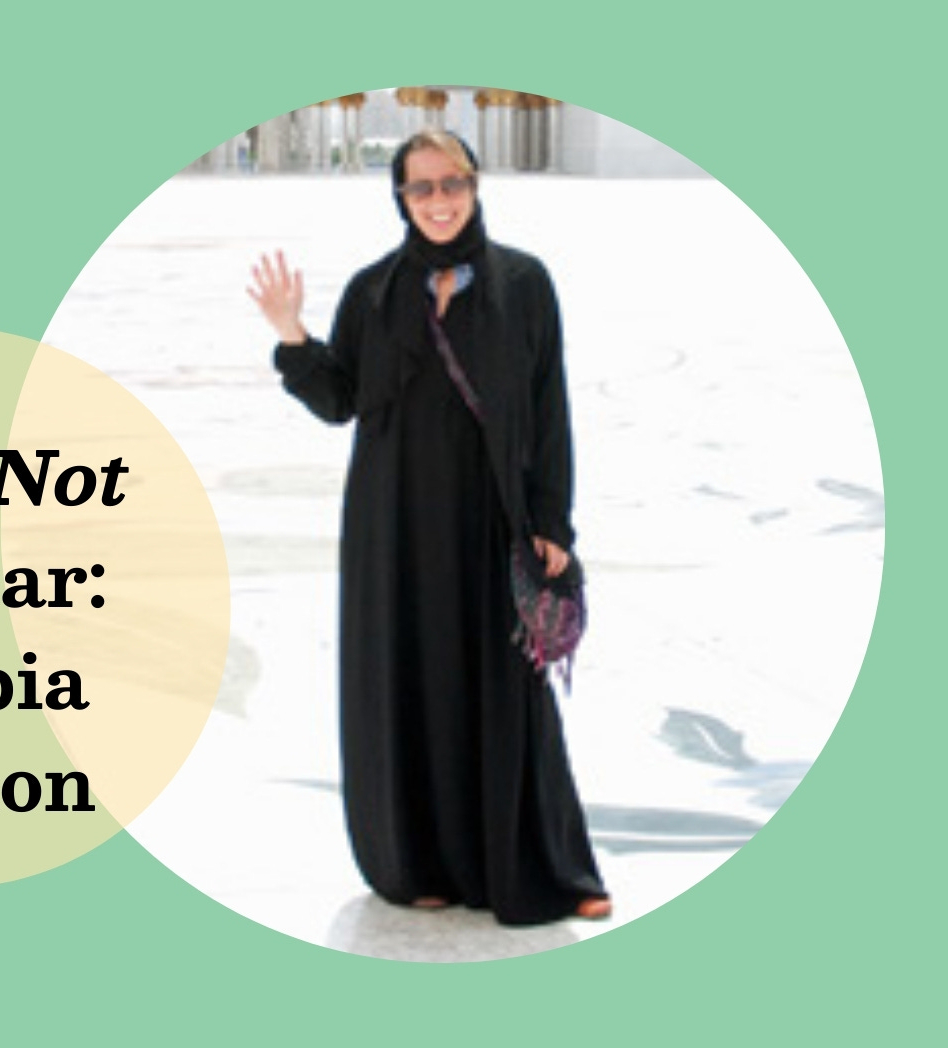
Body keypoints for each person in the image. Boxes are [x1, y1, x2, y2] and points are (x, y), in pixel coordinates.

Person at [247, 129, 610, 925]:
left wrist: (553, 519)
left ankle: (547, 866)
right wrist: (292, 335)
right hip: (395, 524)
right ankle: (423, 864)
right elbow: (340, 400)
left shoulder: (524, 284)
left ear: (475, 187)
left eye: (453, 184)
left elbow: (549, 407)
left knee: (509, 686)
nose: (440, 201)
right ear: (401, 199)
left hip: (490, 517)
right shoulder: (374, 292)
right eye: (422, 189)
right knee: (412, 680)